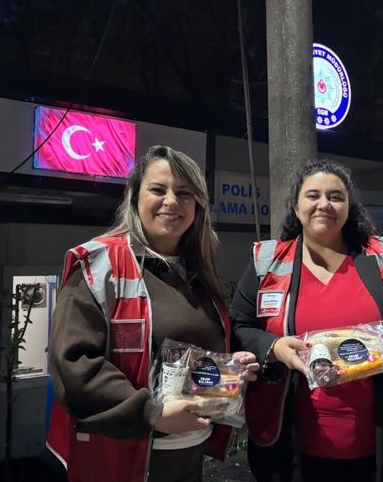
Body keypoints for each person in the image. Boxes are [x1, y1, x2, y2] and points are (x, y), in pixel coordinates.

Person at [46, 145, 260, 482]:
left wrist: (230, 368)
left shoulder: (196, 270)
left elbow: (190, 354)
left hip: (190, 454)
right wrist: (153, 414)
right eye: (158, 190)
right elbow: (73, 365)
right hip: (124, 459)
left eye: (184, 193)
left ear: (198, 204)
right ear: (134, 196)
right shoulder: (98, 264)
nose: (172, 202)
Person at [230, 158, 383, 482]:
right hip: (291, 444)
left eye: (336, 196)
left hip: (382, 444)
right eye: (313, 195)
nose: (324, 204)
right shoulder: (266, 262)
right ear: (296, 207)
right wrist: (273, 347)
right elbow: (239, 325)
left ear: (349, 207)